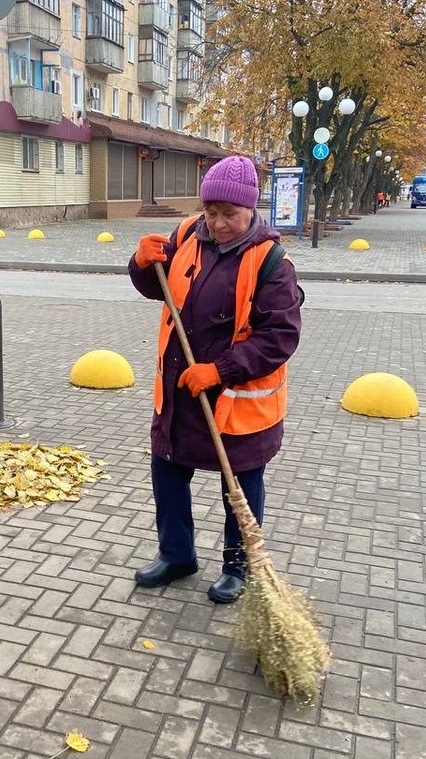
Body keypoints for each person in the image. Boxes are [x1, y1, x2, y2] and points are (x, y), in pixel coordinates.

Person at [128, 155, 303, 604]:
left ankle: (238, 567)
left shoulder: (272, 262)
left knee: (240, 487)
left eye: (230, 214)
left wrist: (220, 370)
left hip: (236, 401)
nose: (219, 223)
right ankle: (177, 554)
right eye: (212, 211)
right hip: (180, 391)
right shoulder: (187, 234)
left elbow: (279, 337)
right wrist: (141, 264)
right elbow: (158, 287)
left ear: (251, 210)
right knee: (167, 473)